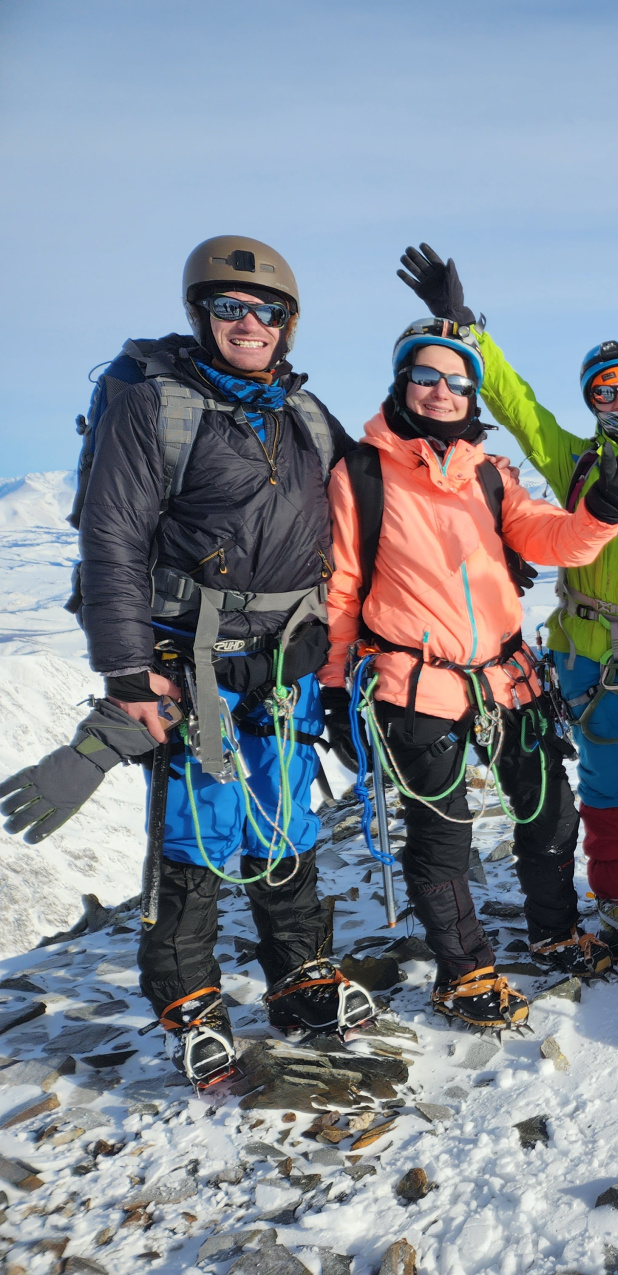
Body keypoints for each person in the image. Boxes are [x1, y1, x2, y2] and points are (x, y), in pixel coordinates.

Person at [0, 236, 366, 1088]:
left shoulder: (304, 415)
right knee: (198, 833)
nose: (248, 322)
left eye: (265, 310)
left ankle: (301, 976)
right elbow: (113, 538)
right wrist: (128, 674)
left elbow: (382, 492)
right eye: (228, 307)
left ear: (289, 324)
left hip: (284, 664)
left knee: (284, 822)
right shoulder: (150, 398)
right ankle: (189, 999)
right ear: (200, 314)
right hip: (186, 662)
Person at [317, 318, 618, 1030]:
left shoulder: (488, 472)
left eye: (458, 381)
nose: (443, 391)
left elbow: (554, 538)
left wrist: (604, 504)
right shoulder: (361, 474)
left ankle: (554, 931)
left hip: (508, 676)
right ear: (402, 382)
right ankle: (465, 970)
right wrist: (333, 686)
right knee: (442, 833)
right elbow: (341, 588)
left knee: (550, 812)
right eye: (427, 377)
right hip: (412, 681)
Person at [397, 244, 618, 957]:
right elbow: (516, 405)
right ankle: (617, 892)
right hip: (583, 650)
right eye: (604, 391)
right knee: (604, 777)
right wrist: (466, 329)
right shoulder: (575, 461)